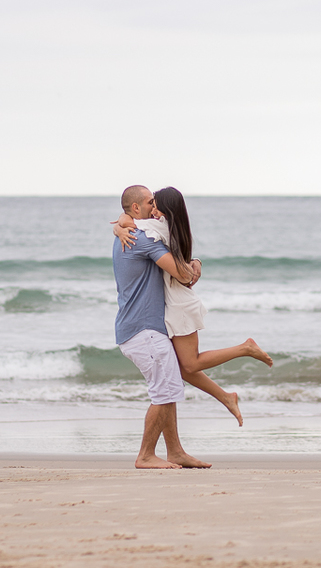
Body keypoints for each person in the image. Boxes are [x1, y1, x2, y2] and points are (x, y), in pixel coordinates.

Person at [114, 186, 273, 427]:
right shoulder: (167, 227)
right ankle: (226, 397)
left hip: (178, 303)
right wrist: (121, 224)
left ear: (166, 210)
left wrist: (121, 224)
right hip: (174, 302)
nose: (153, 209)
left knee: (190, 364)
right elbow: (128, 220)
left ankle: (245, 348)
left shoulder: (155, 228)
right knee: (183, 368)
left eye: (155, 204)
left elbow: (130, 222)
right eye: (150, 203)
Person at [112, 184, 211, 469]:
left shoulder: (132, 231)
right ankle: (145, 455)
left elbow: (124, 222)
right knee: (165, 391)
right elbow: (182, 275)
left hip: (141, 328)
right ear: (136, 208)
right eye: (150, 202)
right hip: (143, 330)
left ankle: (175, 451)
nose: (155, 207)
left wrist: (195, 261)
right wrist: (193, 267)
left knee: (168, 388)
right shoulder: (141, 238)